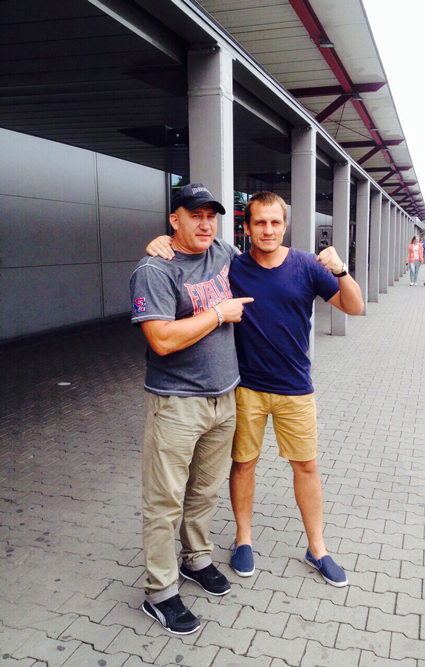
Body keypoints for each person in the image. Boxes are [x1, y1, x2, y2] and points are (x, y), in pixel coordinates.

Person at [146, 191, 364, 589]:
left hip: (296, 388)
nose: (268, 230)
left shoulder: (307, 265)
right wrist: (161, 242)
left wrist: (342, 270)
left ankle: (317, 548)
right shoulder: (233, 264)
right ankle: (243, 539)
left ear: (285, 225)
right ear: (246, 228)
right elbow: (187, 249)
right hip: (244, 388)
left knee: (307, 466)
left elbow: (354, 306)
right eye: (259, 222)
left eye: (275, 222)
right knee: (244, 464)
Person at [130, 183, 254, 636]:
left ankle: (196, 558)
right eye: (194, 215)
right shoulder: (154, 269)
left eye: (211, 216)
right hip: (176, 403)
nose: (205, 224)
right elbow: (161, 339)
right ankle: (159, 592)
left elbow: (265, 258)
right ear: (174, 219)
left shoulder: (222, 252)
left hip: (224, 397)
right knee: (164, 501)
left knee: (205, 490)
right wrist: (219, 314)